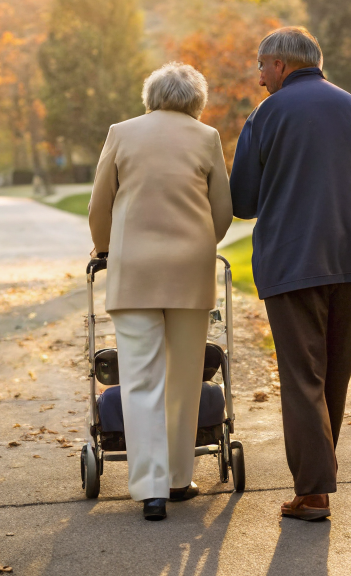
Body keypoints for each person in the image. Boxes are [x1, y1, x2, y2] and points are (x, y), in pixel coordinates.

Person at [229, 26, 351, 522]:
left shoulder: (268, 113)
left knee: (302, 376)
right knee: (334, 372)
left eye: (261, 67)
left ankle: (314, 492)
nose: (259, 79)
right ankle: (315, 484)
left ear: (279, 64)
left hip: (293, 257)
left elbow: (243, 201)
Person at [87, 62, 233, 522]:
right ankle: (177, 479)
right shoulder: (207, 138)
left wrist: (105, 248)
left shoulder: (121, 133)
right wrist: (201, 242)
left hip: (134, 274)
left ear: (151, 97)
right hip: (190, 273)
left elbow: (99, 204)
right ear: (197, 101)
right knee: (185, 380)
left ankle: (151, 490)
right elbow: (222, 211)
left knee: (140, 379)